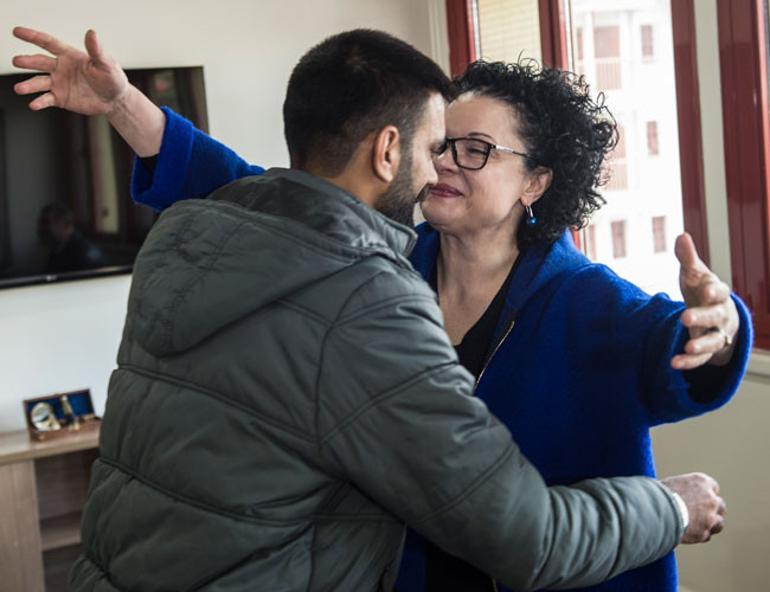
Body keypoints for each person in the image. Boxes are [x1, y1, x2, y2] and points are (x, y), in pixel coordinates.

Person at [13, 27, 729, 592]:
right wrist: (126, 107)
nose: (443, 162)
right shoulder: (374, 270)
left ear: (535, 183)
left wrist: (721, 331)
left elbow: (670, 353)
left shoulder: (590, 299)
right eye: (439, 143)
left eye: (473, 150)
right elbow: (281, 191)